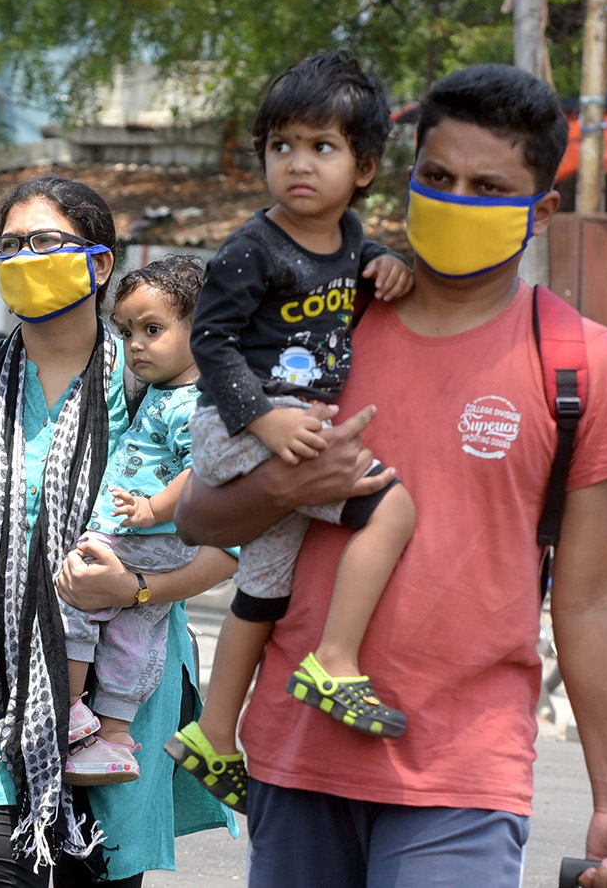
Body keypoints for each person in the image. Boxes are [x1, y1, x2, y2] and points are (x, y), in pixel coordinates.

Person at [174, 64, 607, 888]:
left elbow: (592, 598)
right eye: (437, 177)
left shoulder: (579, 364)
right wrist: (289, 487)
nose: (456, 199)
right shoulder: (321, 327)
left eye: (486, 185)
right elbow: (198, 520)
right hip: (296, 760)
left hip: (463, 776)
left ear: (538, 212)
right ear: (402, 179)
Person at [0, 175, 237, 888]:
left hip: (111, 718)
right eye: (9, 245)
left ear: (98, 264)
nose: (23, 257)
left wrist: (133, 589)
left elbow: (229, 547)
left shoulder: (152, 391)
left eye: (45, 242)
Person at [164, 51, 416, 812]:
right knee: (389, 505)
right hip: (244, 425)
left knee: (263, 592)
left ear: (365, 166)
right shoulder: (252, 247)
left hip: (282, 428)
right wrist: (264, 420)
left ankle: (213, 732)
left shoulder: (350, 237)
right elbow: (209, 342)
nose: (297, 165)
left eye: (321, 147)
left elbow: (361, 259)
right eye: (282, 147)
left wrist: (390, 263)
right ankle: (334, 660)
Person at [60, 255, 206, 786]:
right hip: (160, 547)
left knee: (73, 595)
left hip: (142, 538)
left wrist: (152, 509)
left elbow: (201, 469)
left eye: (152, 329)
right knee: (133, 637)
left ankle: (70, 712)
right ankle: (116, 737)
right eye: (127, 332)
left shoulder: (191, 402)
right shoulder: (164, 392)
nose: (135, 344)